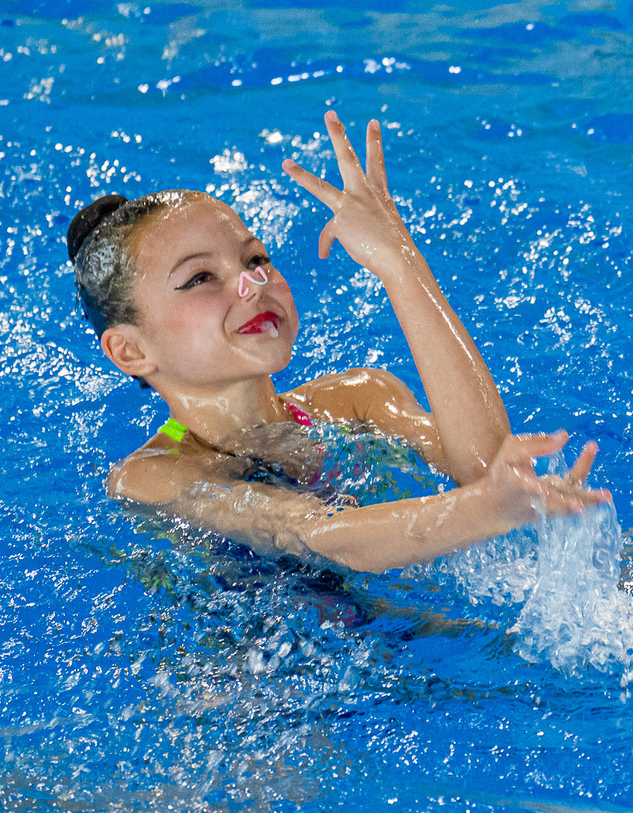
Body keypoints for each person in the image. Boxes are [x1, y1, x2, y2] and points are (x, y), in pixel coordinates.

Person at [67, 110, 605, 570]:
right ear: (131, 351)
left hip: (384, 627)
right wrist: (487, 508)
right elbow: (308, 534)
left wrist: (399, 264)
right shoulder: (151, 476)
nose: (252, 285)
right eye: (200, 279)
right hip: (250, 670)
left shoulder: (358, 398)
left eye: (255, 259)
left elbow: (486, 469)